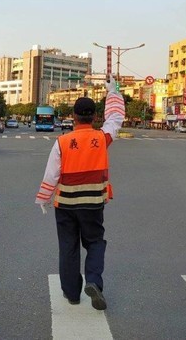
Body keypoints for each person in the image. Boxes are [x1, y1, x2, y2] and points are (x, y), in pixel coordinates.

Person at [35, 76, 125, 310]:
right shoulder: (102, 137)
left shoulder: (63, 142)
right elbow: (116, 118)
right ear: (94, 117)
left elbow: (51, 175)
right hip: (93, 203)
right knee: (95, 242)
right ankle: (93, 281)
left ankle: (72, 293)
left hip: (65, 205)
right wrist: (112, 92)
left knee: (68, 247)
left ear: (73, 117)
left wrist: (44, 199)